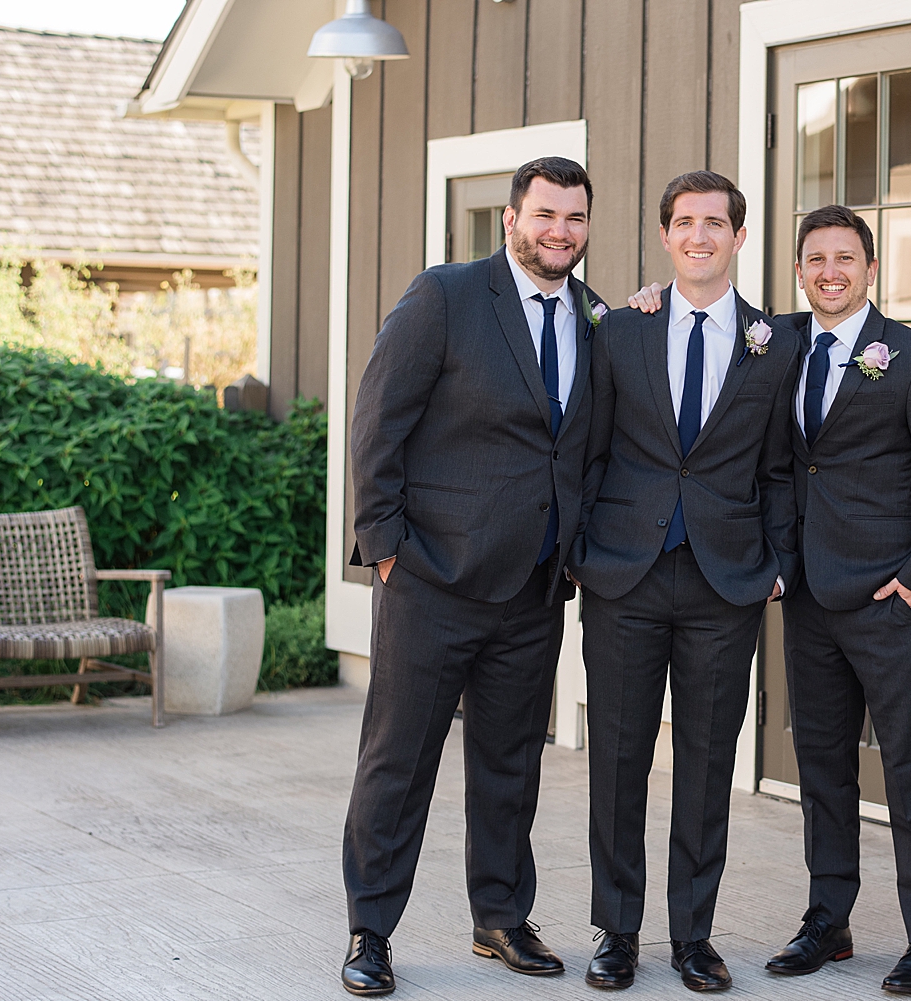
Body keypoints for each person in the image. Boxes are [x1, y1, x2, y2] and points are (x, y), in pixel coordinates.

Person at [340, 157, 603, 996]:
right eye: (545, 214)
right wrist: (385, 547)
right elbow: (378, 419)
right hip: (431, 580)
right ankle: (370, 928)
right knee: (398, 761)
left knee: (509, 761)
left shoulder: (594, 317)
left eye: (574, 218)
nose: (559, 230)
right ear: (510, 219)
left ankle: (498, 916)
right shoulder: (446, 295)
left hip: (533, 587)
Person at [569, 170, 800, 992]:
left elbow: (781, 469)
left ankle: (693, 935)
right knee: (619, 760)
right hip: (623, 577)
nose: (699, 236)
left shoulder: (776, 343)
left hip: (724, 583)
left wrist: (775, 564)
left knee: (707, 765)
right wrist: (582, 552)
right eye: (684, 223)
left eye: (715, 223)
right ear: (665, 237)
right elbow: (588, 449)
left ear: (740, 237)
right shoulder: (620, 332)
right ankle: (617, 931)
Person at [766, 205, 911, 995]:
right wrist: (647, 297)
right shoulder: (779, 344)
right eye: (815, 258)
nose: (829, 271)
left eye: (844, 258)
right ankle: (829, 917)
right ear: (798, 268)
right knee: (822, 768)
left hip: (890, 596)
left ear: (871, 269)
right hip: (808, 595)